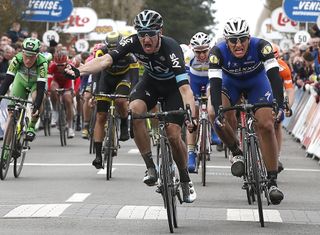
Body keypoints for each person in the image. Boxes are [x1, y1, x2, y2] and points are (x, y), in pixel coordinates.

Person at [65, 10, 197, 203]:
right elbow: (105, 60)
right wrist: (79, 71)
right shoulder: (132, 42)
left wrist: (190, 115)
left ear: (160, 32)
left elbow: (185, 89)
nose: (146, 39)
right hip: (150, 83)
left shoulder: (171, 48)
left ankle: (185, 179)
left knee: (173, 135)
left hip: (173, 89)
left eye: (150, 33)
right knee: (134, 110)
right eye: (142, 34)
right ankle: (150, 166)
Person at [209, 18, 284, 205]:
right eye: (233, 40)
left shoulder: (262, 46)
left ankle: (272, 181)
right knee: (213, 114)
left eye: (242, 39)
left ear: (249, 38)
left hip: (257, 83)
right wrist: (219, 110)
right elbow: (215, 85)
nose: (238, 44)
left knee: (266, 125)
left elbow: (275, 76)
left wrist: (279, 104)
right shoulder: (217, 53)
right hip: (230, 84)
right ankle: (236, 151)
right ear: (226, 41)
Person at [89, 31, 139, 169]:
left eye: (115, 49)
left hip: (124, 77)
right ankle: (98, 155)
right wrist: (95, 92)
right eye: (110, 50)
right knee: (101, 116)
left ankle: (124, 123)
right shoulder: (100, 52)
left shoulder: (130, 54)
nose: (113, 52)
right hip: (106, 79)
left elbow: (135, 78)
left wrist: (133, 95)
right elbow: (96, 73)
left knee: (121, 100)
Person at [184, 32, 222, 173]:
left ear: (209, 48)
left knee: (211, 95)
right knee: (193, 114)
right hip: (194, 81)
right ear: (193, 50)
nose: (201, 55)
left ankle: (213, 132)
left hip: (209, 80)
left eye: (204, 51)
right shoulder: (188, 56)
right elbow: (184, 81)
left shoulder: (214, 54)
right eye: (198, 52)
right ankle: (191, 154)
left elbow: (219, 77)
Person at [0, 37, 48, 141]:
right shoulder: (17, 59)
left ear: (37, 55)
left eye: (32, 57)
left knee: (38, 98)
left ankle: (31, 126)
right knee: (12, 113)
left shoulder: (42, 63)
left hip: (36, 84)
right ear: (22, 52)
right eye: (26, 55)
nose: (28, 59)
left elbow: (40, 88)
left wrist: (37, 106)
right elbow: (7, 81)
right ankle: (6, 151)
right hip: (20, 81)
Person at [272, 43, 295, 173]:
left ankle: (277, 156)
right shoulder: (257, 65)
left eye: (275, 59)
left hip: (276, 95)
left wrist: (288, 106)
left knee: (277, 124)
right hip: (260, 91)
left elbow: (290, 90)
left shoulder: (283, 67)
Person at [48, 50, 76, 138]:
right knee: (52, 89)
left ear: (66, 62)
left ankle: (70, 127)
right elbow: (49, 78)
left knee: (68, 100)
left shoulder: (70, 66)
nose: (59, 67)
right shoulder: (52, 66)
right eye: (58, 65)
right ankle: (55, 111)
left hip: (67, 82)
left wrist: (74, 90)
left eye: (62, 65)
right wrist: (49, 90)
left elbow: (76, 79)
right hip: (57, 81)